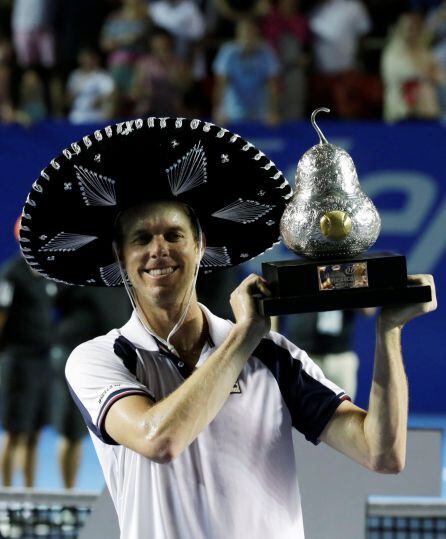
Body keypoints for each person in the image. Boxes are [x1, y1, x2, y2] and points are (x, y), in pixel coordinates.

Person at [19, 118, 436, 538]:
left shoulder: (273, 356)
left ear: (201, 246)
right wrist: (242, 337)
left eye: (174, 234)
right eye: (141, 238)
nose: (158, 249)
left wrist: (389, 332)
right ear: (120, 257)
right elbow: (159, 440)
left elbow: (382, 453)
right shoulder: (99, 359)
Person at [51, 286, 132, 489]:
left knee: (126, 437)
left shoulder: (123, 273)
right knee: (71, 434)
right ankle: (68, 498)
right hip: (76, 359)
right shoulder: (73, 274)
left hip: (118, 357)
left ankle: (122, 496)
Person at [0, 218, 57, 487]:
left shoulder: (46, 275)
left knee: (35, 434)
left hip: (42, 362)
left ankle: (29, 495)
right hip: (17, 362)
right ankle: (7, 502)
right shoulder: (11, 274)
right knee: (15, 433)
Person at [212, 18, 280, 124]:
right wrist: (219, 110)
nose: (248, 38)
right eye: (245, 34)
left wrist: (273, 112)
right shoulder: (227, 52)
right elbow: (221, 84)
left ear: (257, 36)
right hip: (232, 112)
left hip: (261, 113)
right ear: (238, 36)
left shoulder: (267, 52)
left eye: (251, 34)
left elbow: (273, 85)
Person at [381, 12, 446, 122]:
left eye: (416, 29)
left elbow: (440, 75)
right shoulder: (393, 52)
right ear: (400, 29)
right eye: (409, 28)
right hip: (401, 113)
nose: (413, 32)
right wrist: (431, 73)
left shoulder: (423, 51)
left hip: (427, 112)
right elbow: (415, 73)